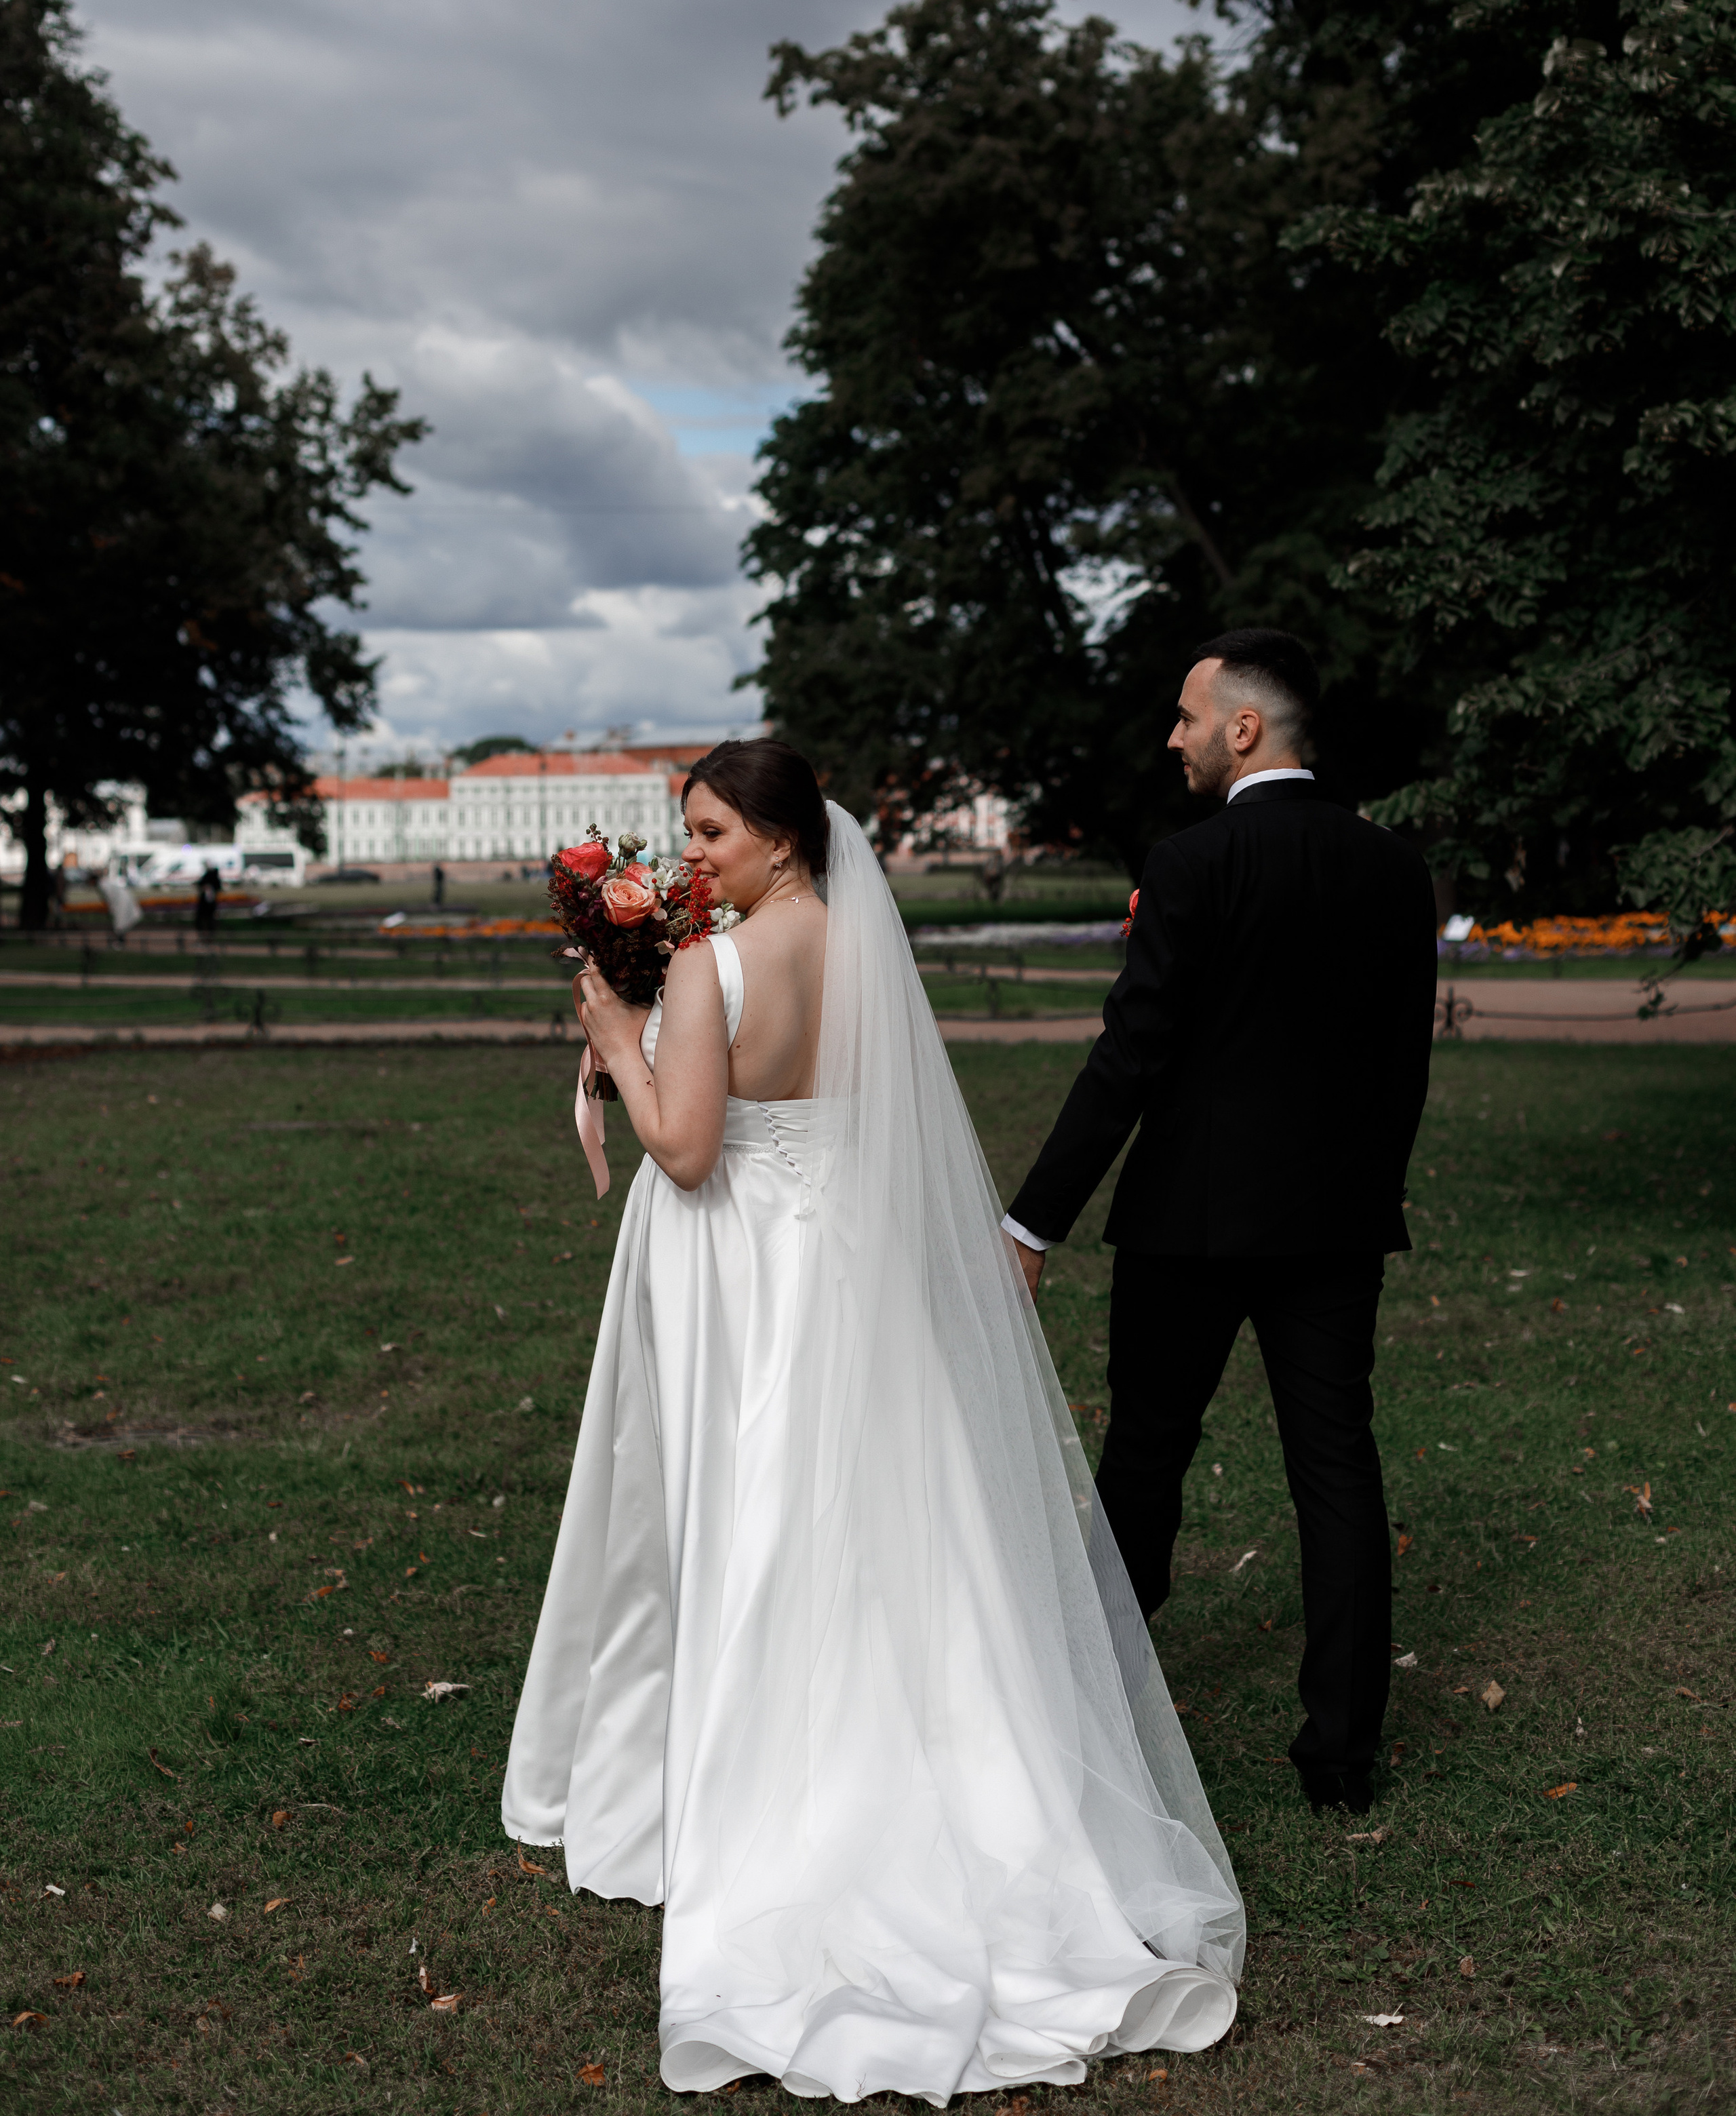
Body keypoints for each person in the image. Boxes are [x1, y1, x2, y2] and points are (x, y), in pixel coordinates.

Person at [503, 738, 1243, 2101]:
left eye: (714, 832)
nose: (695, 857)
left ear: (782, 838)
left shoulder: (706, 964)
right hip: (845, 1265)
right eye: (688, 834)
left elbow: (685, 1149)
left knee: (754, 1517)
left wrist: (616, 1038)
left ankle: (781, 1797)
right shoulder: (859, 949)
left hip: (741, 1268)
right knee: (885, 1527)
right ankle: (948, 1768)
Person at [1002, 630, 1438, 1819]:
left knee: (1146, 1456)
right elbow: (1405, 1065)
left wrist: (1034, 1221)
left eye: (1189, 716)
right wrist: (1366, 1191)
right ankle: (1344, 1756)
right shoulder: (1396, 871)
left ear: (1245, 728)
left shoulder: (1194, 863)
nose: (1175, 736)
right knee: (1336, 1470)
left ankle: (1083, 1711)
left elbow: (1131, 1055)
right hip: (1337, 1228)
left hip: (1188, 1224)